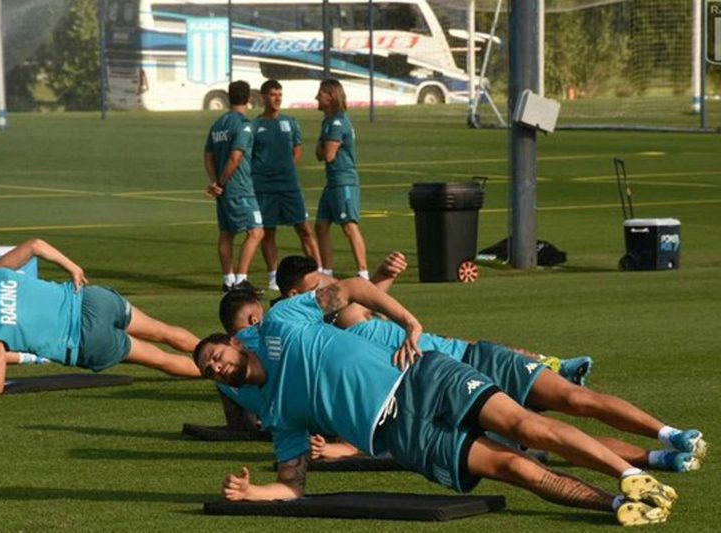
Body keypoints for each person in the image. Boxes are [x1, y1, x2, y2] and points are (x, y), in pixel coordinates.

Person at [194, 280, 679, 526]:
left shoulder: (281, 321)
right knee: (516, 469)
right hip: (403, 437)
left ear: (236, 343)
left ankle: (632, 474)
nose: (215, 367)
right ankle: (618, 504)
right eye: (208, 371)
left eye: (215, 355)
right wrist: (255, 494)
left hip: (422, 376)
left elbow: (356, 290)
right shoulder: (279, 413)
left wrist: (410, 325)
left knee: (527, 427)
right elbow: (293, 486)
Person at [272, 254, 706, 473]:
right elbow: (358, 405)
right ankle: (656, 458)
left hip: (466, 360)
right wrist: (343, 447)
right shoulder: (312, 345)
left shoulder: (332, 315)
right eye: (316, 285)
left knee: (575, 399)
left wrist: (390, 287)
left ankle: (670, 433)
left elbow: (361, 299)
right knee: (541, 439)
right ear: (294, 298)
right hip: (442, 394)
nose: (325, 287)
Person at [0, 239, 201, 394]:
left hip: (85, 341)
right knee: (163, 330)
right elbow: (35, 245)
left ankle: (218, 373)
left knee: (161, 360)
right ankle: (225, 352)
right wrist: (72, 267)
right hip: (91, 301)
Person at [251, 79, 321, 291]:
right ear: (263, 97)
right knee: (268, 232)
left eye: (280, 94)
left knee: (304, 229)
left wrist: (288, 167)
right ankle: (273, 276)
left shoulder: (290, 122)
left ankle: (318, 272)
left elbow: (297, 148)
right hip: (263, 186)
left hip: (289, 185)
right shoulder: (254, 126)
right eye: (273, 94)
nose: (277, 98)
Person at [204, 80, 264, 293]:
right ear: (249, 98)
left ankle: (228, 280)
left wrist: (214, 182)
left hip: (223, 189)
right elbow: (236, 157)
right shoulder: (244, 125)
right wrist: (220, 182)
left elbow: (208, 155)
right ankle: (241, 280)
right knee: (256, 232)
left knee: (227, 233)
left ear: (229, 98)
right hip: (239, 187)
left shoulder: (218, 124)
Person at [314, 79, 369, 280]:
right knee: (321, 225)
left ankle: (363, 272)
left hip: (343, 181)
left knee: (349, 225)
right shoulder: (327, 122)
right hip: (332, 182)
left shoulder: (337, 122)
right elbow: (320, 153)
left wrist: (322, 148)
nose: (316, 98)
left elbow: (327, 154)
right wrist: (322, 149)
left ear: (331, 97)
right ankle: (327, 271)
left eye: (320, 94)